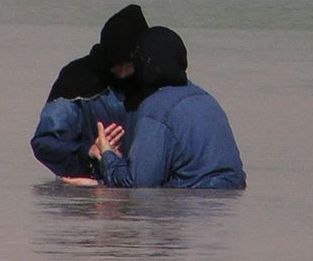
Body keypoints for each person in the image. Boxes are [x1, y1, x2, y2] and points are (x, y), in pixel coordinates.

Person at [89, 26, 246, 189]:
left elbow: (139, 185)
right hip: (230, 199)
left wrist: (105, 155)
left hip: (194, 200)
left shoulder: (155, 108)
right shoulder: (206, 99)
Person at [31, 4, 148, 180]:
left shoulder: (155, 80)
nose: (123, 74)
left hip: (142, 185)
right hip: (88, 184)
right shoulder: (77, 80)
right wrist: (89, 152)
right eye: (117, 66)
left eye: (130, 66)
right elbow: (45, 142)